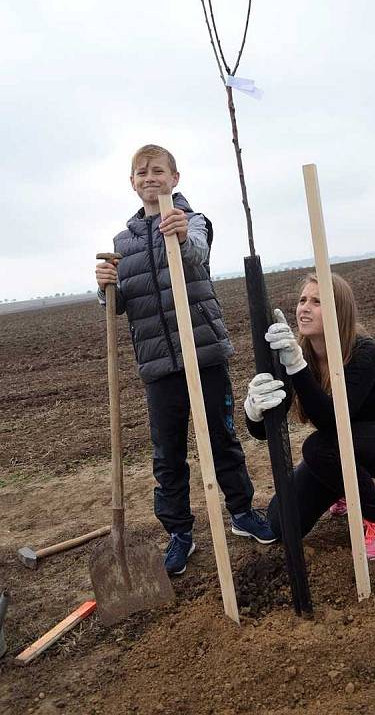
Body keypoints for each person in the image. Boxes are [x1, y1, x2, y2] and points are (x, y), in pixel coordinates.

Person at [95, 144, 275, 576]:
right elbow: (118, 305)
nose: (149, 177)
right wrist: (105, 288)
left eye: (158, 171)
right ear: (132, 183)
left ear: (175, 179)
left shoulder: (193, 222)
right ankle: (179, 533)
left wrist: (178, 233)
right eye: (141, 172)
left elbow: (196, 254)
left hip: (204, 353)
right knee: (167, 453)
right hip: (158, 366)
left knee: (221, 439)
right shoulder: (123, 242)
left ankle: (242, 513)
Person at [243, 272, 375, 561]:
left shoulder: (364, 352)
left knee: (319, 446)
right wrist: (253, 409)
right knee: (282, 522)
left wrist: (296, 366)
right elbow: (264, 431)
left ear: (339, 311)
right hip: (344, 444)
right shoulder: (299, 354)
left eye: (317, 301)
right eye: (303, 299)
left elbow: (331, 420)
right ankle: (343, 485)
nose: (305, 307)